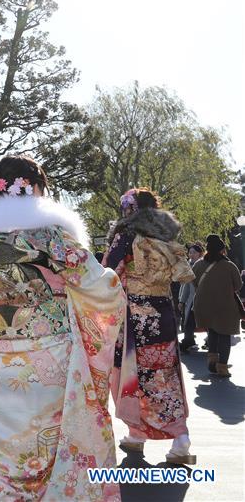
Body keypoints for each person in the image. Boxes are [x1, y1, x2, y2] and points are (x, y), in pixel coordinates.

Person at [0, 156, 125, 500]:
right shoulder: (53, 237)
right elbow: (103, 288)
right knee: (50, 449)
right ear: (37, 189)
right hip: (50, 359)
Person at [104, 187, 196, 464]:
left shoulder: (127, 235)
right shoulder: (165, 237)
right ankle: (174, 438)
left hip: (135, 316)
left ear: (129, 209)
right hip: (163, 313)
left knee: (131, 375)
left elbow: (109, 272)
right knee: (164, 376)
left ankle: (142, 433)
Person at [193, 234, 243, 378]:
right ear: (222, 250)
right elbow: (238, 286)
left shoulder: (198, 264)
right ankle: (222, 367)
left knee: (213, 332)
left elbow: (194, 283)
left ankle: (212, 362)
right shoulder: (229, 265)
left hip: (204, 305)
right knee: (225, 335)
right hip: (225, 306)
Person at [178, 243, 205, 353]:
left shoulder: (203, 265)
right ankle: (189, 341)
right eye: (190, 252)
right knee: (189, 322)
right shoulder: (187, 265)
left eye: (194, 252)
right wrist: (182, 300)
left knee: (206, 322)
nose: (191, 254)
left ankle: (210, 341)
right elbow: (185, 286)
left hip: (204, 299)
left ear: (200, 253)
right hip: (191, 299)